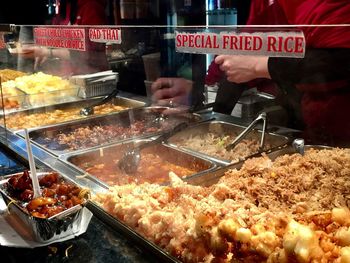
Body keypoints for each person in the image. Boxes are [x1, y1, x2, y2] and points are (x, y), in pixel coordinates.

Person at [152, 0, 350, 146]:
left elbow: (338, 63)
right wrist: (200, 96)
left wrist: (261, 66)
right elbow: (242, 50)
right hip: (311, 130)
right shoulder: (265, 3)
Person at [24, 0, 108, 76]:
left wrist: (47, 52)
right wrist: (45, 46)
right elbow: (56, 35)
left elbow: (87, 54)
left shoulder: (92, 6)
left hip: (92, 76)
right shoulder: (65, 5)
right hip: (68, 74)